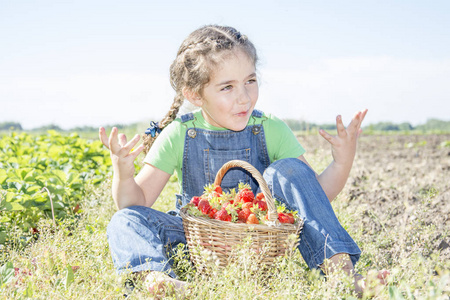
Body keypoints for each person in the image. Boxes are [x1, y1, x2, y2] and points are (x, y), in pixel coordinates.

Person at [99, 24, 388, 297]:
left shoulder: (270, 127)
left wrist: (342, 162)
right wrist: (123, 173)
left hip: (262, 243)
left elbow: (313, 196)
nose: (244, 98)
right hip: (199, 245)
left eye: (250, 81)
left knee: (289, 169)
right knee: (125, 220)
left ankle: (341, 274)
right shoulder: (179, 133)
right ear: (194, 94)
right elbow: (134, 204)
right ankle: (158, 281)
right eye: (227, 87)